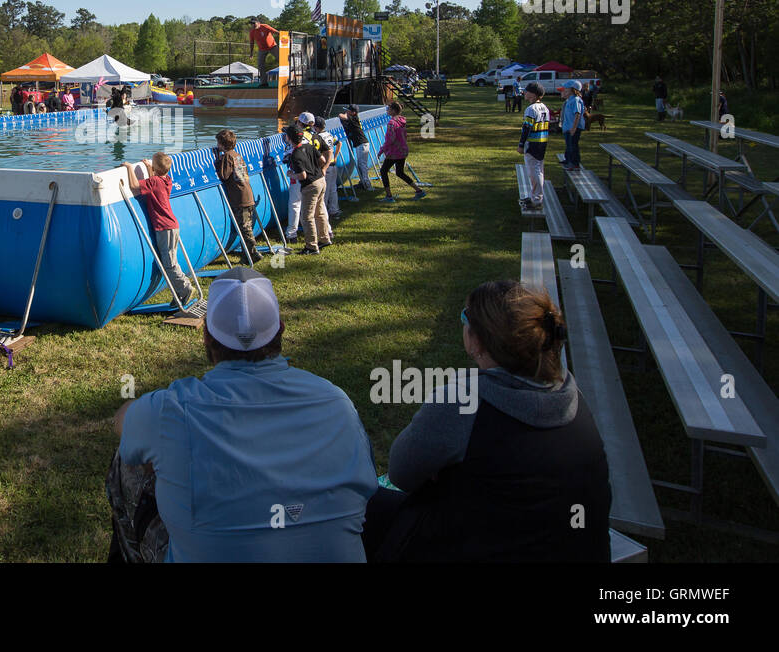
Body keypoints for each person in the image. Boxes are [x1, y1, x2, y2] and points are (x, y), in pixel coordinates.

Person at [108, 267, 376, 562]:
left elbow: (122, 420)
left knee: (125, 460)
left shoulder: (169, 412)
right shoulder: (337, 402)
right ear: (281, 329)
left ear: (207, 335)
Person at [363, 280, 611, 562]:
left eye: (464, 317)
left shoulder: (463, 401)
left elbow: (401, 473)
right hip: (575, 548)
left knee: (359, 506)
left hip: (478, 544)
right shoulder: (572, 395)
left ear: (477, 339)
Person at [122, 152, 194, 305]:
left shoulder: (154, 181)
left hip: (164, 227)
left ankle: (185, 288)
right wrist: (150, 167)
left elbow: (135, 185)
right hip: (171, 225)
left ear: (155, 168)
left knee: (169, 264)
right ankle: (179, 292)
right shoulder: (166, 180)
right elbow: (153, 180)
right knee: (171, 260)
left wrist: (129, 168)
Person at [213, 129, 260, 263]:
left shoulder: (227, 156)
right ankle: (250, 252)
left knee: (245, 228)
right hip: (247, 194)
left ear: (222, 144)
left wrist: (218, 162)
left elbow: (224, 175)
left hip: (240, 198)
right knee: (247, 226)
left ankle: (252, 254)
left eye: (218, 143)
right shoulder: (237, 155)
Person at [286, 122, 329, 254]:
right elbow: (322, 159)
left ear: (288, 138)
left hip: (310, 186)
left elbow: (302, 175)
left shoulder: (295, 155)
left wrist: (291, 174)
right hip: (321, 180)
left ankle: (311, 246)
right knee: (319, 211)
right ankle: (324, 238)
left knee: (307, 216)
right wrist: (319, 170)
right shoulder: (309, 146)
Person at [378, 103, 426, 203]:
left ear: (394, 111)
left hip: (394, 152)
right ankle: (419, 191)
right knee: (400, 172)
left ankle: (389, 196)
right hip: (403, 150)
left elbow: (390, 139)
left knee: (383, 171)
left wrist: (382, 149)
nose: (387, 110)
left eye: (389, 109)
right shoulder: (401, 121)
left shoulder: (392, 123)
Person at [517, 81, 550, 212]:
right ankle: (535, 196)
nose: (524, 93)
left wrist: (521, 145)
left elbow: (526, 128)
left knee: (533, 172)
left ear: (533, 94)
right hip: (542, 142)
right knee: (538, 169)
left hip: (532, 143)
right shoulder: (544, 107)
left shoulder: (531, 109)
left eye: (526, 91)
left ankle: (537, 199)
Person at [337, 104, 374, 191]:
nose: (347, 112)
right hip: (361, 144)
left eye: (348, 111)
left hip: (362, 144)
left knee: (362, 165)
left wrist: (344, 114)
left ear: (353, 113)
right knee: (360, 164)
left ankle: (367, 185)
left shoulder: (353, 118)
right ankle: (363, 183)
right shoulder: (353, 118)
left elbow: (342, 116)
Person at [313, 116, 341, 219]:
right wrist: (335, 156)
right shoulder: (329, 134)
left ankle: (323, 214)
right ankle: (334, 210)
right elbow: (339, 143)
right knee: (333, 189)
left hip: (326, 166)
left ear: (316, 127)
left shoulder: (318, 137)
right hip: (333, 164)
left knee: (324, 191)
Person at [560, 80, 585, 171]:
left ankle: (574, 163)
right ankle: (568, 160)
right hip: (567, 127)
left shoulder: (576, 100)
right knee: (568, 145)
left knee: (573, 146)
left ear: (573, 90)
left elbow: (577, 114)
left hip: (573, 128)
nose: (564, 91)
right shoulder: (569, 100)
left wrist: (574, 127)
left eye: (566, 89)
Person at [249, 18, 279, 87]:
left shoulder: (265, 26)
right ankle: (264, 82)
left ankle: (286, 78)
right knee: (260, 65)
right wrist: (251, 53)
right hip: (262, 49)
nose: (253, 25)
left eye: (254, 23)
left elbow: (276, 32)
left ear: (258, 23)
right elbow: (251, 43)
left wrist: (286, 36)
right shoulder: (252, 32)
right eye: (251, 24)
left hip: (272, 47)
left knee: (281, 59)